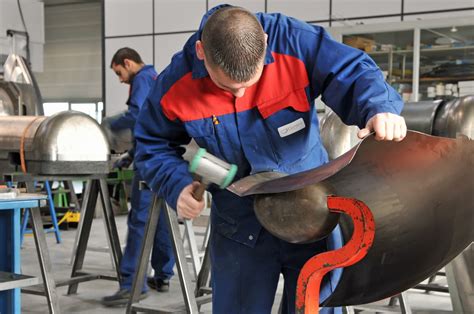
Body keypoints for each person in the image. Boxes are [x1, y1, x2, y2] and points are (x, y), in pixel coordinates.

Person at [134, 6, 407, 314]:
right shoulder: (175, 84)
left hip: (311, 212)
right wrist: (177, 185)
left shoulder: (295, 42)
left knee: (315, 308)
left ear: (265, 41)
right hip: (240, 223)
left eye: (249, 83)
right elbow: (151, 143)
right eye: (226, 86)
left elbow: (354, 70)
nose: (239, 95)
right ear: (200, 52)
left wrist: (378, 107)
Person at [102, 47, 175, 307]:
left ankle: (132, 283)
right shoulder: (156, 77)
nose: (121, 79)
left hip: (150, 163)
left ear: (128, 63)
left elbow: (136, 116)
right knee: (163, 218)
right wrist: (130, 154)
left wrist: (107, 124)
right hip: (164, 158)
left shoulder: (142, 78)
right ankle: (163, 275)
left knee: (139, 221)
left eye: (119, 72)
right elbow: (150, 123)